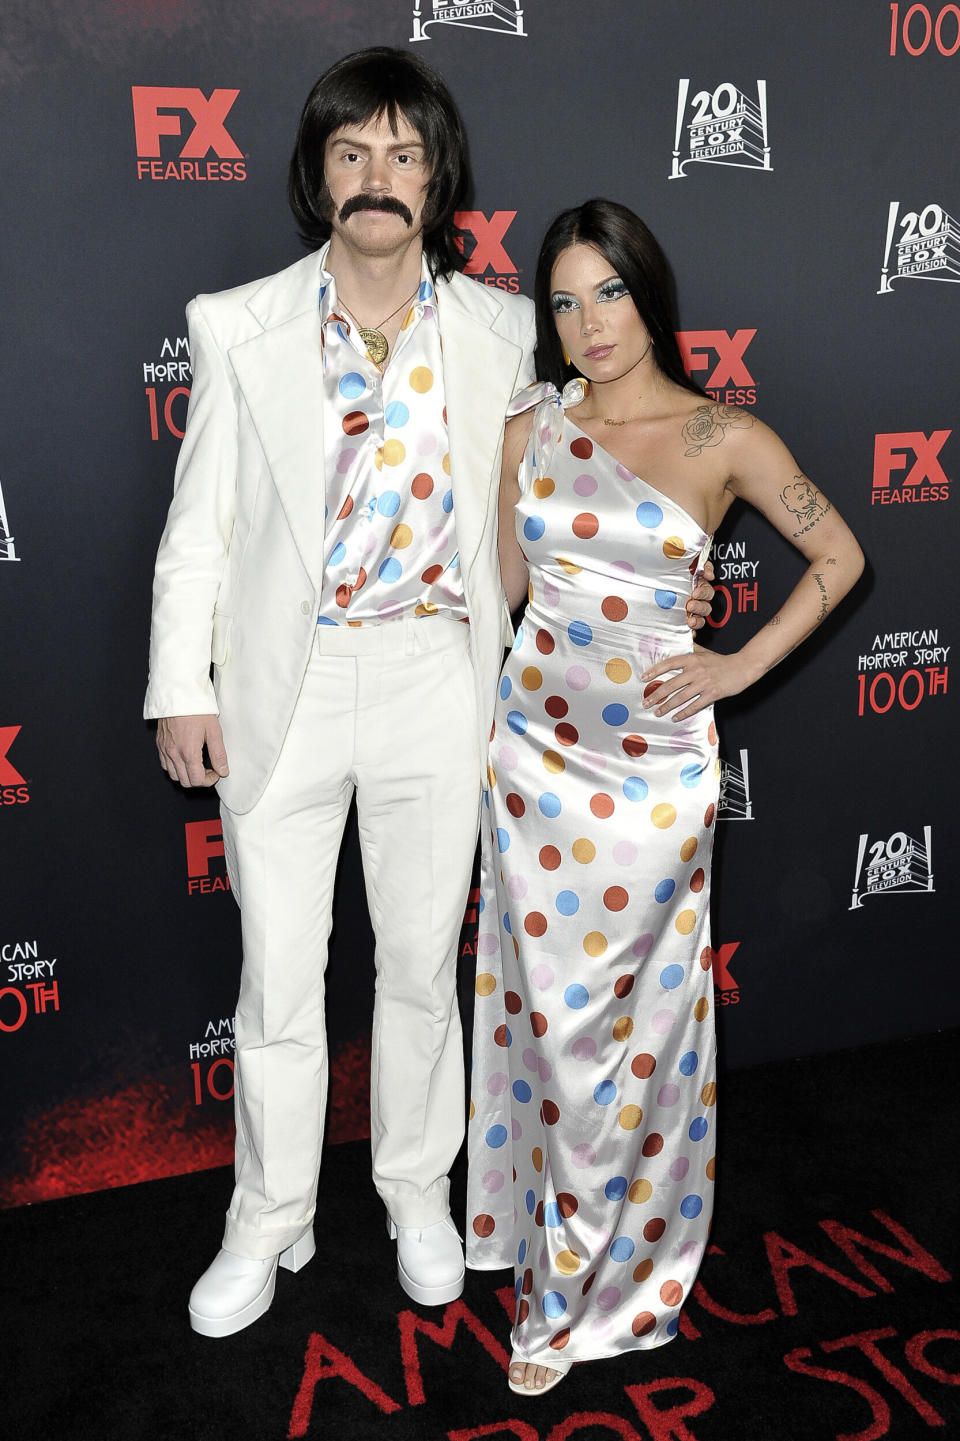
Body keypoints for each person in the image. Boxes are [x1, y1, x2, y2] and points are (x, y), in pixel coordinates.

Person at [145, 51, 712, 1339]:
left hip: (435, 680)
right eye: (353, 155)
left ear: (437, 177)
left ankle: (416, 1193)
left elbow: (601, 453)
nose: (377, 180)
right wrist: (183, 685)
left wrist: (674, 572)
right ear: (320, 176)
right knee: (278, 977)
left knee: (416, 969)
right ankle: (267, 1216)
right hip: (284, 684)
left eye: (404, 156)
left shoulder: (509, 328)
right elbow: (199, 532)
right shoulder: (237, 324)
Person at [466, 198, 864, 1395]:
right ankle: (540, 1246)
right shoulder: (526, 425)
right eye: (566, 301)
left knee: (624, 1039)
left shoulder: (720, 438)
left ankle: (595, 1288)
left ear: (650, 294)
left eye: (610, 292)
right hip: (533, 759)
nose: (590, 323)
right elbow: (518, 585)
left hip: (650, 776)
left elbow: (839, 556)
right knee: (543, 1021)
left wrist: (733, 657)